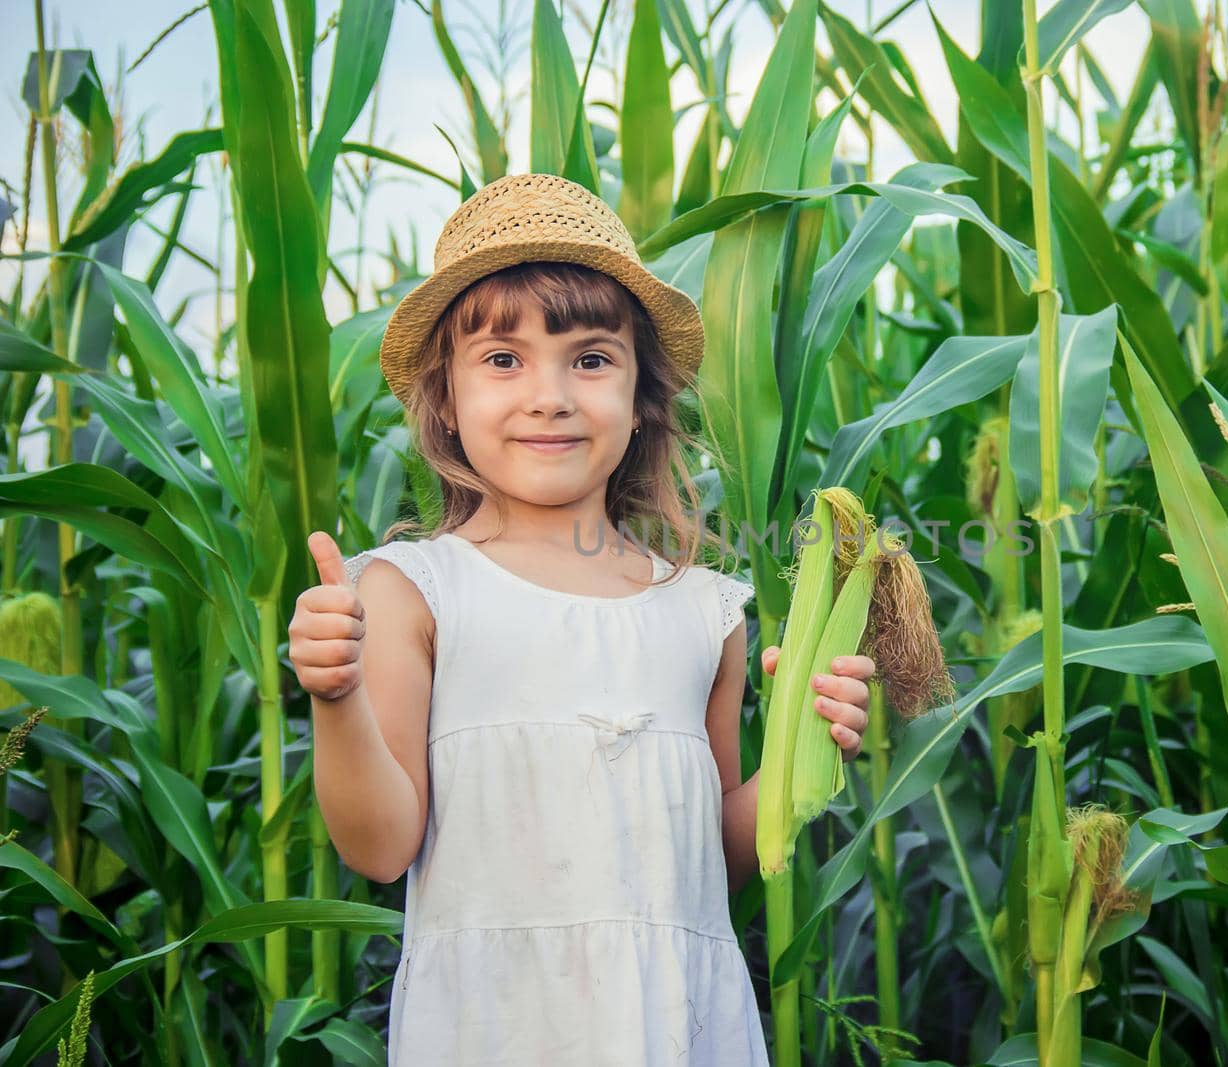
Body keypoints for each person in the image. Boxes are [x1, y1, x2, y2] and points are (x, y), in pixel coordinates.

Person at [286, 173, 877, 1064]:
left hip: (677, 1028)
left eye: (591, 358)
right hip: (495, 1030)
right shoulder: (413, 591)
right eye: (503, 360)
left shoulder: (704, 612)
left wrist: (807, 748)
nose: (550, 395)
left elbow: (706, 851)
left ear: (642, 397)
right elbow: (380, 844)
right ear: (445, 396)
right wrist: (335, 696)